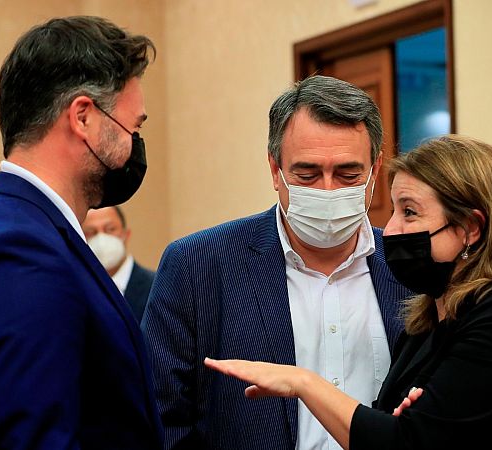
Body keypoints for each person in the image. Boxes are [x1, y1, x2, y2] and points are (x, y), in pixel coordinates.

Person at [205, 135, 492, 450]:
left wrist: (303, 383)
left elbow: (402, 443)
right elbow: (390, 426)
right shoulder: (426, 325)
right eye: (396, 211)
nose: (392, 229)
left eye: (410, 212)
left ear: (470, 228)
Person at [143, 75, 413, 449]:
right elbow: (160, 419)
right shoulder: (198, 265)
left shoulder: (411, 266)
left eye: (348, 174)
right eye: (307, 174)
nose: (327, 190)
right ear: (275, 169)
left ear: (375, 170)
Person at [0, 16, 163, 449]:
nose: (134, 143)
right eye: (133, 127)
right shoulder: (19, 253)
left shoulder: (25, 229)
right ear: (83, 117)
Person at [83, 206, 156, 322]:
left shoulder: (156, 286)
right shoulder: (77, 290)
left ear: (126, 235)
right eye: (91, 232)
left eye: (110, 229)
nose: (101, 238)